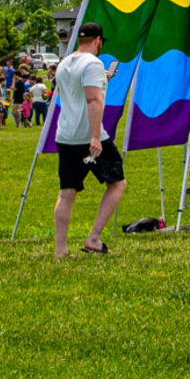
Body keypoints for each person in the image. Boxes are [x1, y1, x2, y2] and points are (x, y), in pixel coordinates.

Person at [52, 23, 126, 258]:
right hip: (89, 136)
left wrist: (103, 79)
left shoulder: (64, 63)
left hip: (66, 136)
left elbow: (75, 90)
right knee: (117, 183)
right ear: (97, 41)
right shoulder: (94, 63)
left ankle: (61, 250)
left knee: (66, 193)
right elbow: (93, 100)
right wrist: (95, 136)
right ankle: (93, 238)